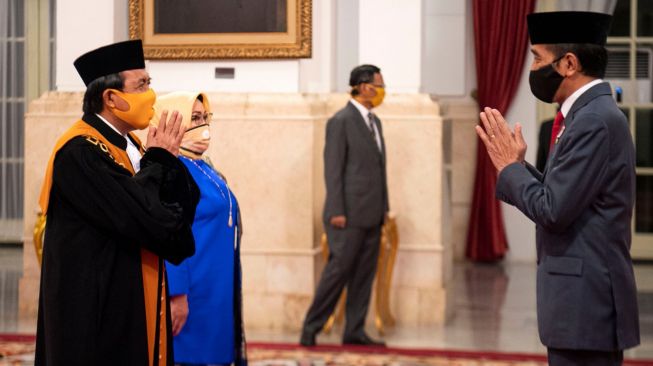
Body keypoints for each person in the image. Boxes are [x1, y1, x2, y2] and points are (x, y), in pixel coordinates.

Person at [475, 11, 640, 365]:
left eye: (537, 58)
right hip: (582, 302)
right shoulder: (587, 115)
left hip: (586, 303)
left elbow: (552, 210)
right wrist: (519, 169)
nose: (533, 68)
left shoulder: (593, 120)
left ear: (568, 63)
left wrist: (508, 169)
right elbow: (565, 193)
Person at [35, 40, 200, 366]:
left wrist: (161, 161)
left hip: (133, 292)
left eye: (149, 84)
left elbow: (178, 212)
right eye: (141, 85)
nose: (150, 95)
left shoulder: (134, 145)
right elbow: (144, 217)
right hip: (98, 306)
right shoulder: (80, 151)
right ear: (111, 98)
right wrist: (159, 161)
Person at [152, 92, 247, 365]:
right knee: (189, 355)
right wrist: (177, 294)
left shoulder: (203, 166)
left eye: (205, 117)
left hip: (215, 285)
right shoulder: (170, 169)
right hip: (191, 288)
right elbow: (168, 232)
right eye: (194, 118)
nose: (203, 125)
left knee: (215, 354)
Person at [300, 64, 389, 347]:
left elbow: (378, 169)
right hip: (346, 216)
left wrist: (384, 208)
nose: (382, 90)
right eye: (379, 84)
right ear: (364, 87)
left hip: (372, 214)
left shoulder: (375, 122)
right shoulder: (340, 121)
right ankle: (310, 328)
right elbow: (333, 170)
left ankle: (354, 330)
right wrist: (337, 210)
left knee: (364, 275)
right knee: (337, 274)